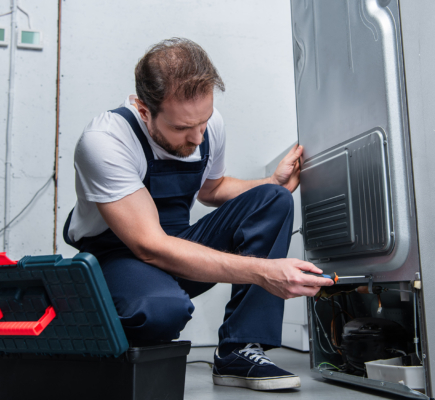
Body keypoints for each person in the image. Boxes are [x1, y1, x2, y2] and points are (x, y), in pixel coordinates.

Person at [64, 38, 333, 391]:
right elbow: (149, 246)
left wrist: (270, 181)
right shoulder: (105, 141)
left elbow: (211, 189)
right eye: (180, 128)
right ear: (144, 110)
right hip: (120, 257)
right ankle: (103, 329)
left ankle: (238, 349)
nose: (197, 136)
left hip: (176, 245)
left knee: (273, 199)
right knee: (162, 311)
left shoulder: (206, 125)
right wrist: (263, 272)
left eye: (203, 122)